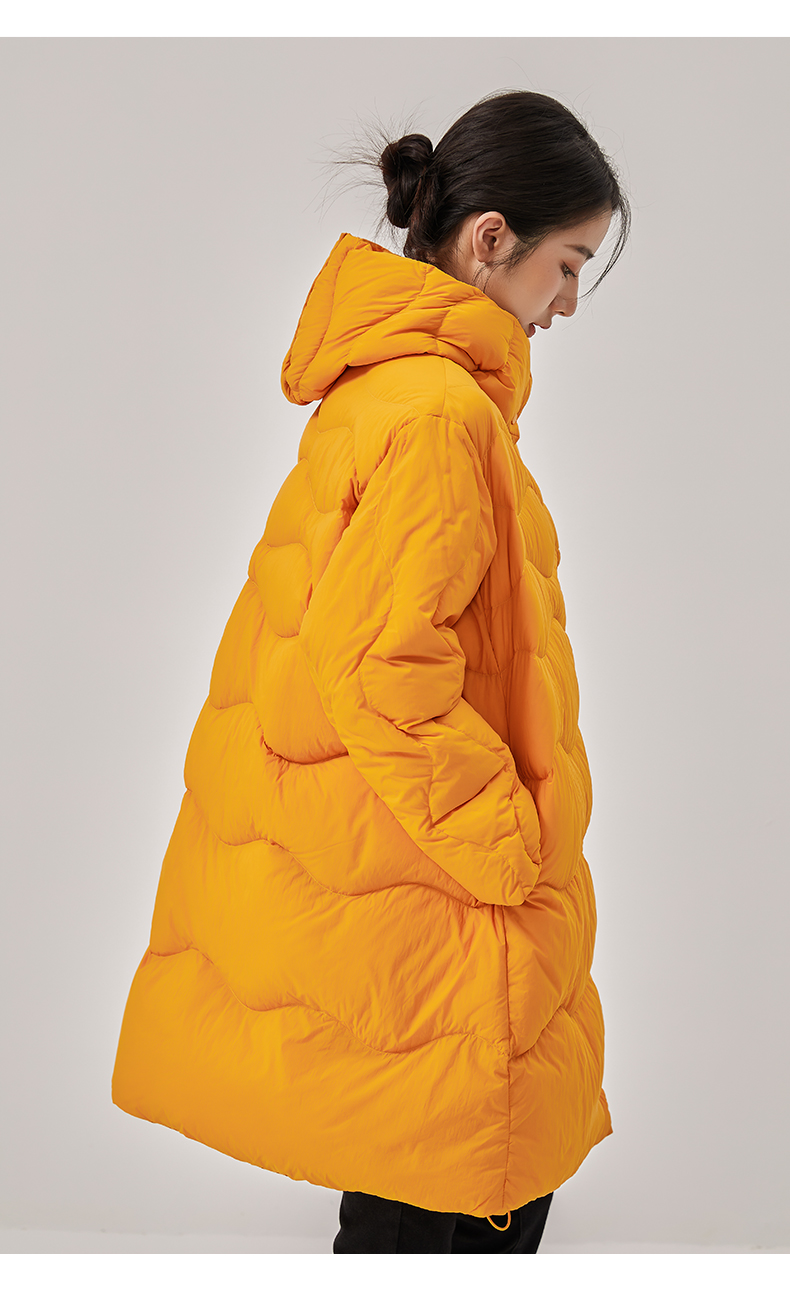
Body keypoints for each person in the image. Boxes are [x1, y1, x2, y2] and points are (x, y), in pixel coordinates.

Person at [111, 88, 631, 1255]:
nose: (567, 302)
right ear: (489, 239)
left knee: (409, 1203)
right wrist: (511, 846)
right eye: (566, 264)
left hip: (398, 912)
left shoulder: (390, 388)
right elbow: (382, 664)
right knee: (447, 1216)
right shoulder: (439, 412)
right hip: (436, 921)